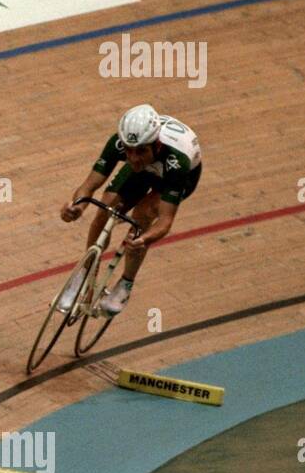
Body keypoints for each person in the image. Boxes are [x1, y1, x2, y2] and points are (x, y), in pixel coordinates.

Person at [58, 104, 202, 315]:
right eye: (128, 150)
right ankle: (85, 276)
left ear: (157, 144)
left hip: (176, 177)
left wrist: (144, 239)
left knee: (143, 215)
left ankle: (126, 283)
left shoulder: (176, 161)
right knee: (106, 207)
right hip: (145, 170)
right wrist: (77, 207)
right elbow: (89, 185)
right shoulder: (119, 143)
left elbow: (165, 221)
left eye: (141, 151)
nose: (133, 157)